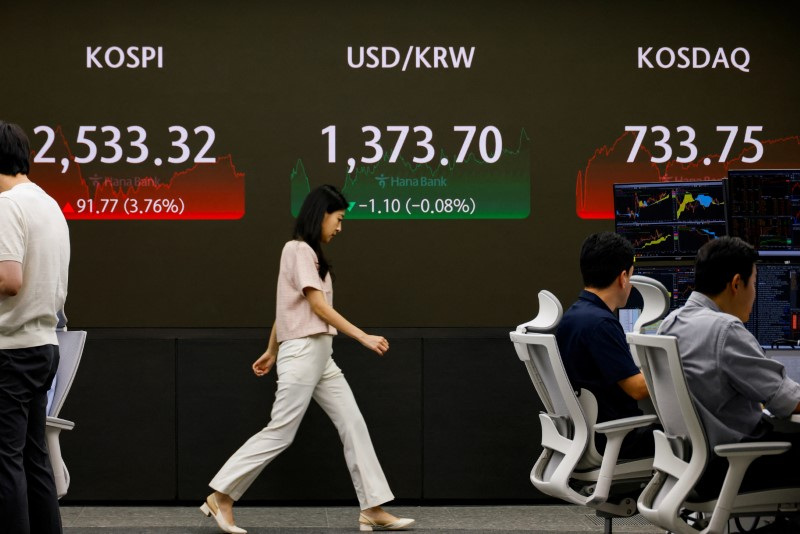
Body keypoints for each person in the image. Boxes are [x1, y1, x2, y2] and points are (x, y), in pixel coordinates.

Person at [201, 185, 414, 533]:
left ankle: (372, 507)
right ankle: (221, 495)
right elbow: (317, 306)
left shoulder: (310, 255)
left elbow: (286, 307)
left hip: (319, 356)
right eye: (339, 219)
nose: (340, 228)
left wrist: (271, 349)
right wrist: (362, 336)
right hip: (303, 352)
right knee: (281, 432)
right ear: (322, 214)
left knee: (353, 424)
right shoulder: (297, 249)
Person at [658, 236, 800, 494]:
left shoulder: (670, 323)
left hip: (688, 467)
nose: (754, 293)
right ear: (736, 283)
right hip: (734, 467)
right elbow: (788, 402)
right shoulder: (725, 329)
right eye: (754, 283)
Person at [0, 121, 70, 533]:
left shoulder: (8, 205)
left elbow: (9, 281)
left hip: (10, 350)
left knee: (5, 463)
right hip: (43, 347)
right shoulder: (48, 203)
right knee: (33, 459)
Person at [555, 231, 653, 459]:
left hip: (587, 436)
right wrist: (683, 369)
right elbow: (637, 388)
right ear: (623, 278)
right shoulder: (601, 324)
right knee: (693, 439)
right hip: (617, 439)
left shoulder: (575, 315)